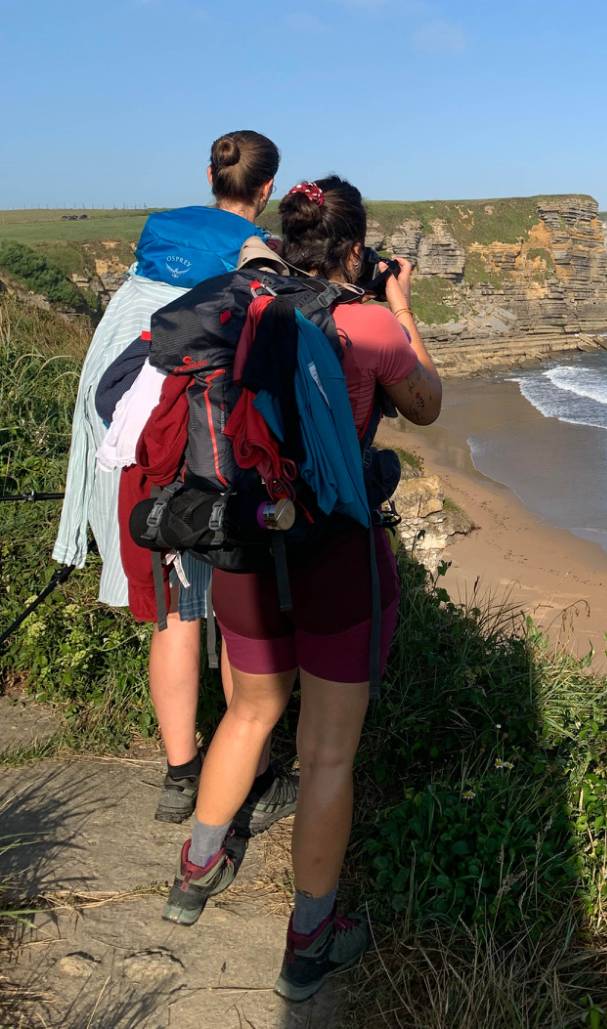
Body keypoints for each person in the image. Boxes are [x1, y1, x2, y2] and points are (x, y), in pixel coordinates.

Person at [162, 176, 442, 1003]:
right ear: (355, 248)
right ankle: (310, 942)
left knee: (250, 711)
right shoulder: (367, 326)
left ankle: (195, 872)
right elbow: (427, 404)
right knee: (326, 755)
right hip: (336, 557)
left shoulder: (247, 303)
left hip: (248, 543)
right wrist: (401, 306)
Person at [52, 130, 297, 831]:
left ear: (210, 177)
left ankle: (180, 772)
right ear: (268, 190)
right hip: (189, 442)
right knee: (222, 603)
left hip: (122, 433)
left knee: (174, 607)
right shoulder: (251, 265)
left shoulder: (155, 246)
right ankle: (242, 772)